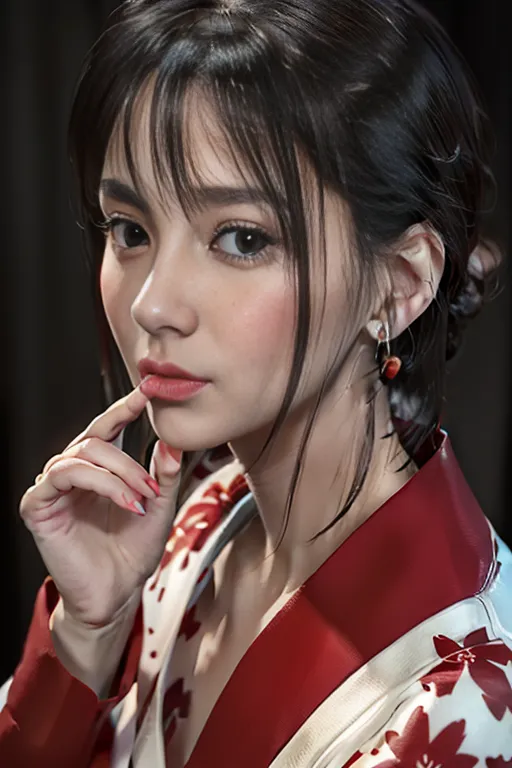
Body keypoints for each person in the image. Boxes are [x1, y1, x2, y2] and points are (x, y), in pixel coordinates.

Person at [1, 0, 511, 765]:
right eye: (130, 231)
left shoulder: (463, 703)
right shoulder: (200, 515)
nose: (153, 305)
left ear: (399, 284)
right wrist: (89, 630)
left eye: (241, 239)